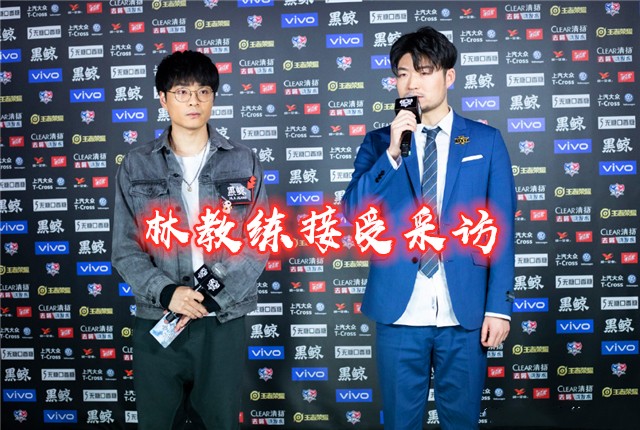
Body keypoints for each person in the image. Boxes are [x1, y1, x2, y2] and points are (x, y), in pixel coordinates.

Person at [342, 26, 516, 429]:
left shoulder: (486, 142)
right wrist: (392, 154)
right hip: (400, 311)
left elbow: (501, 229)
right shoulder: (379, 144)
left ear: (448, 76)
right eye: (404, 74)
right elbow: (351, 212)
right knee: (399, 423)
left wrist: (498, 307)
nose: (413, 84)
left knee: (462, 422)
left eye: (424, 72)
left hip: (465, 311)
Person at [112, 50, 268, 429]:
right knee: (157, 422)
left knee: (220, 422)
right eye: (182, 92)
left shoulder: (243, 160)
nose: (194, 101)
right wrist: (167, 292)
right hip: (159, 318)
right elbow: (125, 248)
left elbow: (258, 241)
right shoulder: (136, 164)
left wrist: (210, 296)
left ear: (213, 97)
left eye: (203, 92)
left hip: (222, 320)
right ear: (163, 98)